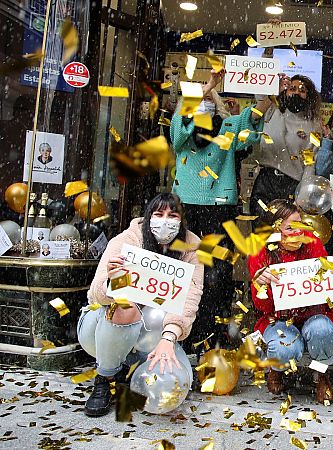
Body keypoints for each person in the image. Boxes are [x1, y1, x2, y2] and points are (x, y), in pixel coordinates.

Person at [77, 193, 204, 417]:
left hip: (154, 332)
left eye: (172, 216)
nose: (165, 221)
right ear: (148, 217)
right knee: (125, 307)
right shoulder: (125, 240)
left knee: (178, 379)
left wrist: (169, 339)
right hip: (101, 329)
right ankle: (105, 378)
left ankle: (126, 368)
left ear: (181, 221)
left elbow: (189, 301)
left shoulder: (192, 251)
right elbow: (96, 295)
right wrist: (112, 281)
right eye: (159, 214)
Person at [170, 70, 269, 349]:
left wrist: (270, 87)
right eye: (199, 100)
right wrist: (209, 86)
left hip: (219, 207)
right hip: (186, 204)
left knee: (218, 273)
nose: (204, 104)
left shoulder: (227, 128)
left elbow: (253, 119)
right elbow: (177, 132)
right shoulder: (182, 130)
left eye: (209, 100)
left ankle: (215, 330)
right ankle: (181, 329)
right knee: (183, 266)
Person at [247, 199, 333, 404]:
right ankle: (277, 370)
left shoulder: (311, 242)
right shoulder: (259, 251)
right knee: (284, 348)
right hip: (278, 318)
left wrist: (332, 279)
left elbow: (327, 296)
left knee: (323, 331)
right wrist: (261, 286)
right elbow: (262, 307)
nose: (298, 231)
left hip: (313, 314)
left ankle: (321, 375)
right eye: (290, 228)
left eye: (300, 224)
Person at [249, 74, 323, 208]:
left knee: (287, 222)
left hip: (292, 184)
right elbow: (260, 93)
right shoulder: (271, 110)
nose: (296, 93)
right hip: (266, 181)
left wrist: (303, 196)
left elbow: (309, 165)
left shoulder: (313, 126)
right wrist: (272, 79)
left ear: (309, 96)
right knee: (261, 221)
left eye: (302, 90)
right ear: (285, 91)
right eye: (292, 89)